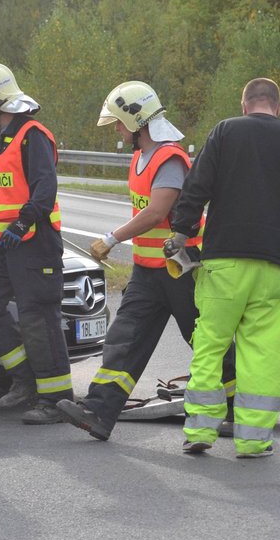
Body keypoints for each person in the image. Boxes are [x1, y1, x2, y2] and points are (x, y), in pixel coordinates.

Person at [56, 81, 236, 440]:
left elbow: (156, 212)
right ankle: (98, 412)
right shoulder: (141, 158)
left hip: (182, 270)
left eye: (120, 124)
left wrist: (111, 238)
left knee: (206, 342)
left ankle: (237, 406)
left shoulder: (169, 158)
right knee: (124, 339)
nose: (118, 132)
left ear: (138, 121)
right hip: (148, 271)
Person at [167, 77, 280, 459]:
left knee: (210, 345)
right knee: (263, 354)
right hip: (274, 266)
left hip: (224, 263)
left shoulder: (226, 130)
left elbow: (197, 185)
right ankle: (254, 441)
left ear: (244, 105)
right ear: (278, 106)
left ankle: (201, 431)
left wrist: (182, 231)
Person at [0, 62, 73, 425]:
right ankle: (25, 379)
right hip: (7, 247)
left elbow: (44, 190)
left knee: (40, 319)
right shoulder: (3, 139)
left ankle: (55, 400)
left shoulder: (33, 135)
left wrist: (20, 224)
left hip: (35, 243)